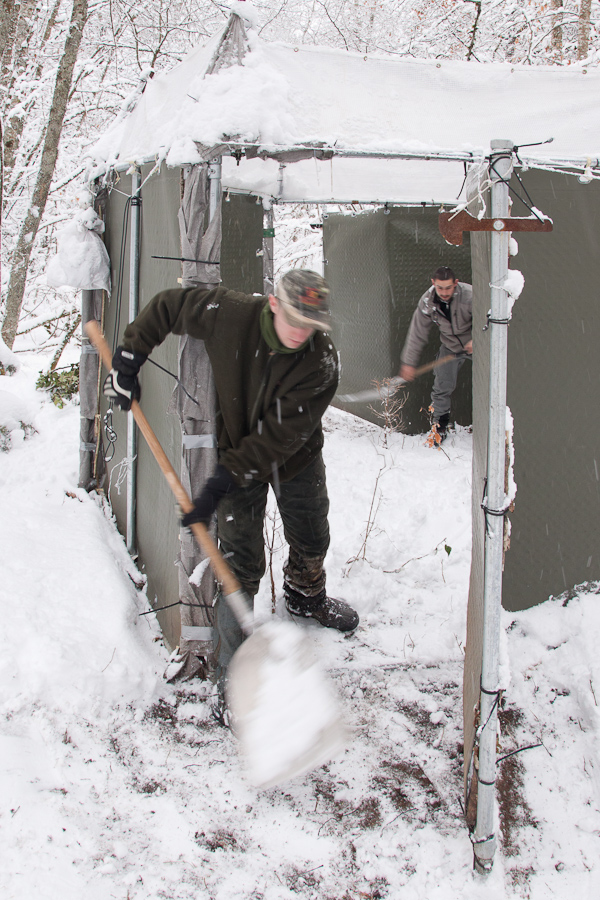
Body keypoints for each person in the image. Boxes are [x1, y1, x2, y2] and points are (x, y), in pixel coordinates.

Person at [103, 269, 359, 691]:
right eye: (295, 319)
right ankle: (234, 675)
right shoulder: (230, 313)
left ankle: (305, 593)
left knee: (312, 536)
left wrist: (219, 483)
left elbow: (275, 441)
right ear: (274, 304)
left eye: (311, 325)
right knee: (240, 564)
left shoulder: (321, 361)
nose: (302, 332)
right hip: (236, 448)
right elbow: (169, 306)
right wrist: (130, 358)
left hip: (293, 455)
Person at [399, 266, 472, 442]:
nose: (444, 292)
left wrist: (478, 339)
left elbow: (490, 319)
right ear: (433, 283)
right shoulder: (427, 301)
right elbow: (417, 334)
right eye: (440, 287)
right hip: (450, 348)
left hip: (477, 346)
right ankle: (440, 428)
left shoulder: (470, 295)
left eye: (448, 287)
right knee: (441, 388)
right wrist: (409, 363)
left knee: (489, 383)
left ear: (456, 283)